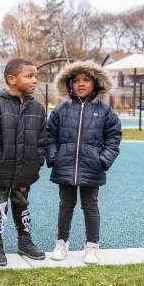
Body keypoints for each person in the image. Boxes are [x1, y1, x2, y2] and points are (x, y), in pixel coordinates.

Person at [47, 61, 122, 264]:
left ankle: (92, 246)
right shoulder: (62, 109)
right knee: (66, 205)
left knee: (90, 206)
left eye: (86, 80)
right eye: (77, 80)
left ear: (95, 83)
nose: (81, 84)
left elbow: (114, 137)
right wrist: (54, 156)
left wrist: (103, 160)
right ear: (70, 84)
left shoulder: (104, 111)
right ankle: (62, 242)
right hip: (65, 164)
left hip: (92, 166)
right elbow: (49, 135)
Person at [0, 58, 46, 266]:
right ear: (11, 79)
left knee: (22, 205)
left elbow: (42, 139)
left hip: (25, 171)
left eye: (35, 76)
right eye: (29, 76)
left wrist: (37, 161)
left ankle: (24, 242)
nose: (34, 80)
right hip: (0, 171)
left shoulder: (37, 108)